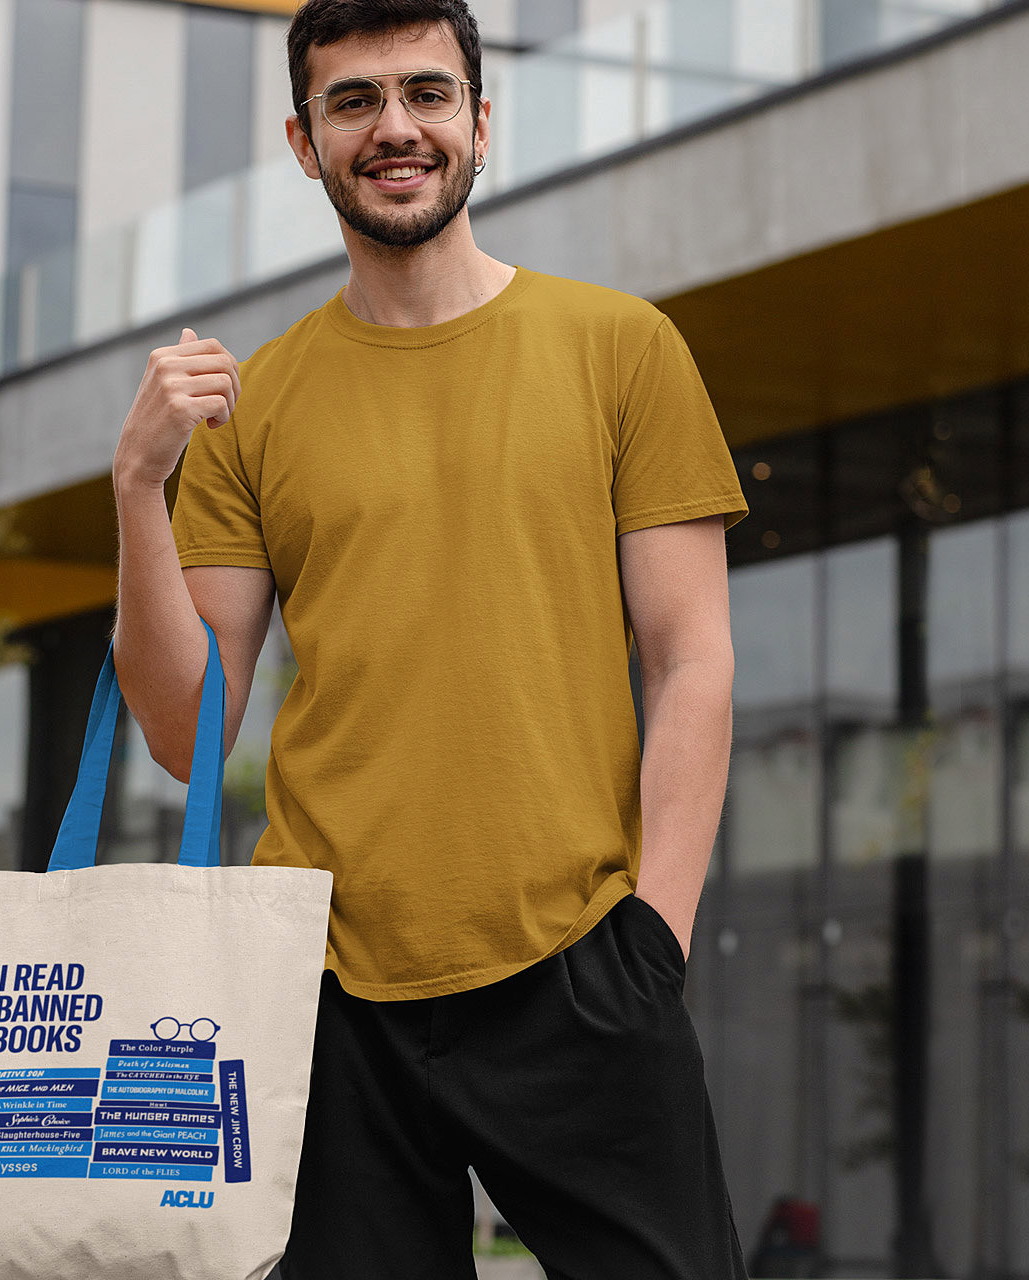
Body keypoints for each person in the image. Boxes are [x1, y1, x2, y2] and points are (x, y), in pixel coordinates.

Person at [111, 0, 749, 1275]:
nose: (393, 127)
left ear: (478, 122)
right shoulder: (258, 406)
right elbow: (190, 735)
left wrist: (654, 940)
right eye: (353, 102)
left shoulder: (621, 349)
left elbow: (690, 657)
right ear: (304, 142)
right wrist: (139, 483)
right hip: (327, 992)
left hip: (582, 969)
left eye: (424, 93)